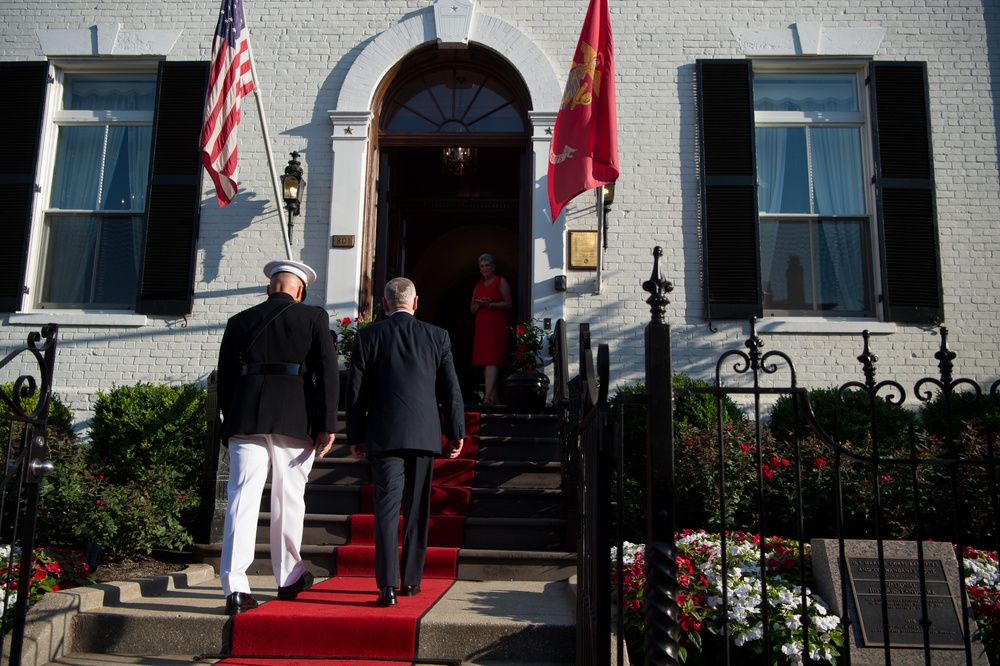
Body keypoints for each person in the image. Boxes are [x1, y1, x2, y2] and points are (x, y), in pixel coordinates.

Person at [216, 259, 339, 615]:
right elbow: (327, 373)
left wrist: (233, 415)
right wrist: (327, 423)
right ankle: (287, 577)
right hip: (294, 417)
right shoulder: (313, 317)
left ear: (270, 286)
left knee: (241, 500)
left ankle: (235, 587)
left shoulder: (239, 321)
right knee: (288, 501)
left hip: (246, 417)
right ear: (299, 290)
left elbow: (226, 379)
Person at [345, 277, 465, 607]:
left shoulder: (368, 335)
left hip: (384, 434)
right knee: (416, 510)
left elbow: (355, 393)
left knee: (385, 511)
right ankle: (411, 581)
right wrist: (456, 432)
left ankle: (386, 587)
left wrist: (354, 436)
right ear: (415, 303)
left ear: (384, 304)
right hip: (424, 435)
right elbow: (450, 389)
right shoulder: (437, 336)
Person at [470, 253, 512, 405]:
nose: (485, 268)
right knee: (484, 362)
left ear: (493, 266)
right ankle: (494, 398)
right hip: (482, 326)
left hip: (496, 324)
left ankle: (487, 398)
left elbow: (508, 303)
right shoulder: (478, 286)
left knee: (492, 360)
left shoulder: (501, 281)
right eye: (482, 266)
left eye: (487, 265)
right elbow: (472, 309)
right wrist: (480, 304)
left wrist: (491, 305)